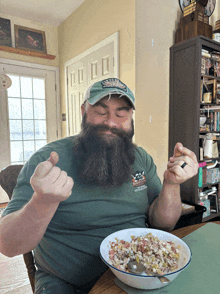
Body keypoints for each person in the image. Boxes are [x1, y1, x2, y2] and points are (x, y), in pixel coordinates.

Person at [0, 78, 198, 294]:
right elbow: (8, 245)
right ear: (84, 111)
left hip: (140, 274)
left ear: (131, 118)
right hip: (67, 283)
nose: (111, 122)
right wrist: (41, 203)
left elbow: (164, 225)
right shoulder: (48, 160)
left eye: (121, 113)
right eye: (101, 111)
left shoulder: (140, 159)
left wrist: (171, 183)